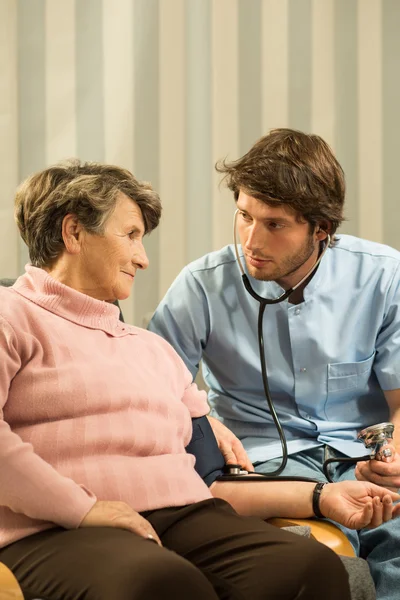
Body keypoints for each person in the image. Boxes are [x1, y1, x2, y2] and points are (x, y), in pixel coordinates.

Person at [0, 160, 397, 600]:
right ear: (73, 232)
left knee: (308, 568)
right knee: (163, 584)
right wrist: (84, 509)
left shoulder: (149, 348)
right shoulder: (10, 316)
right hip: (53, 529)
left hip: (185, 517)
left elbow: (209, 482)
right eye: (130, 235)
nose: (143, 259)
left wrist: (321, 497)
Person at [148, 128, 400, 600]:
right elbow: (151, 396)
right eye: (244, 216)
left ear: (321, 228)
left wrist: (395, 458)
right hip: (265, 468)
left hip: (365, 458)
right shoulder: (201, 285)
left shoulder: (384, 276)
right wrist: (201, 420)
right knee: (323, 566)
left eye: (274, 224)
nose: (251, 239)